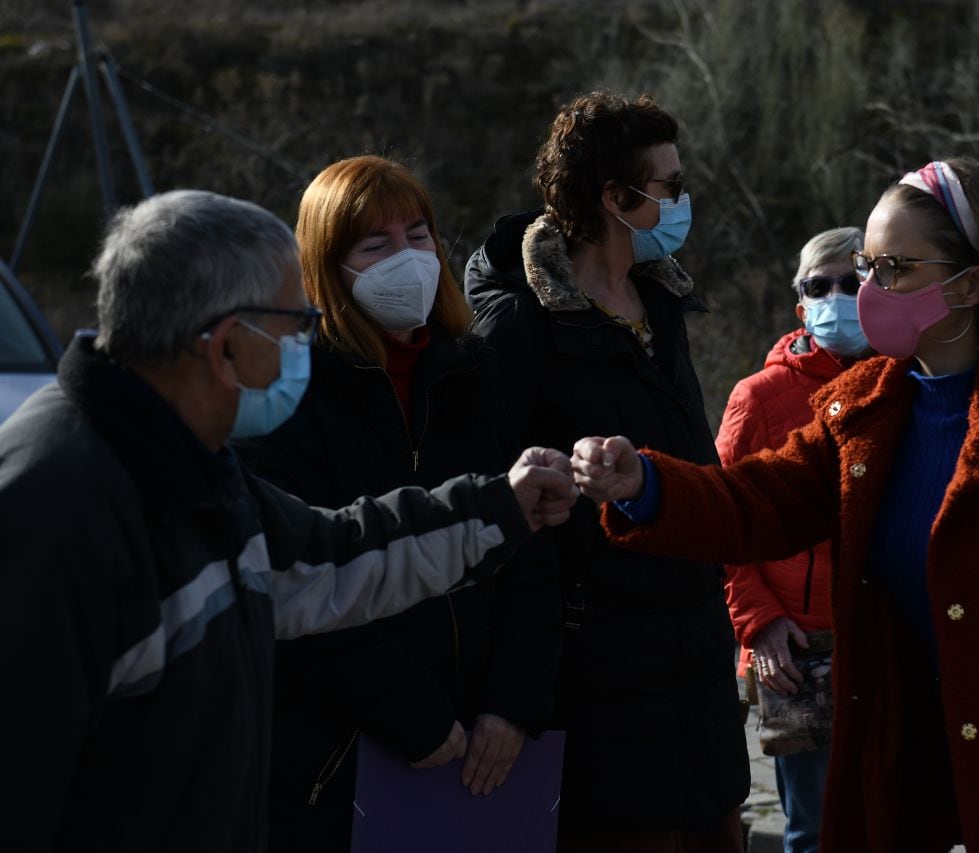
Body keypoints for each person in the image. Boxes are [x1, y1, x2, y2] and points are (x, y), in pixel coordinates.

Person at [571, 159, 979, 853]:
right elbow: (756, 499)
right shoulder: (863, 412)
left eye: (892, 269)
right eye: (867, 265)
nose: (867, 290)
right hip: (896, 794)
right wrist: (645, 484)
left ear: (973, 282)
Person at [0, 189, 578, 853]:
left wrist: (500, 507)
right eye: (295, 324)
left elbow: (328, 556)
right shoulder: (53, 506)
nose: (309, 340)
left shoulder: (197, 465)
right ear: (224, 348)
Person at [232, 155, 562, 852]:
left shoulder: (477, 375)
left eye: (419, 234)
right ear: (325, 265)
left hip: (486, 756)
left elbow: (531, 548)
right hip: (338, 760)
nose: (408, 259)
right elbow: (300, 575)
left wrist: (511, 704)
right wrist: (412, 716)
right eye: (375, 245)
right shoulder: (290, 395)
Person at [464, 90, 749, 852]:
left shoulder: (662, 303)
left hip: (694, 674)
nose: (682, 202)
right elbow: (496, 524)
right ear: (617, 198)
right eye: (670, 187)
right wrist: (512, 693)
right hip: (593, 682)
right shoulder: (520, 327)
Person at [717, 226, 869, 853]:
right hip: (800, 647)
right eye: (819, 285)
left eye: (852, 282)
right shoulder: (758, 398)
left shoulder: (913, 380)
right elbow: (724, 524)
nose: (837, 295)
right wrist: (760, 623)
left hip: (890, 634)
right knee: (815, 831)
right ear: (799, 304)